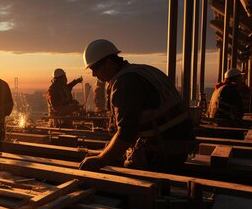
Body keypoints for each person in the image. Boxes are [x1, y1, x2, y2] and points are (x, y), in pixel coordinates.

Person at [79, 39, 195, 172]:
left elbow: (126, 134)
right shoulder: (144, 71)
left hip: (161, 153)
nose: (94, 74)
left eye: (95, 68)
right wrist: (105, 152)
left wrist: (101, 159)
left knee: (125, 171)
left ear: (109, 63)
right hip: (178, 146)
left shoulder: (124, 83)